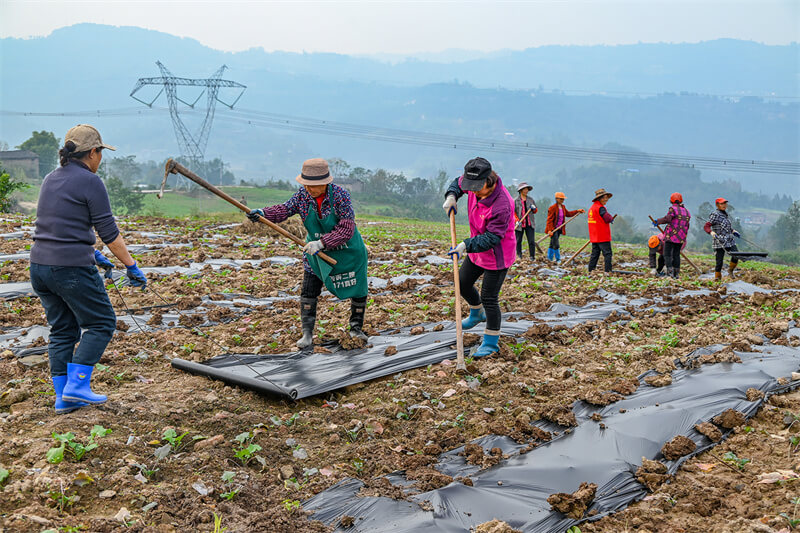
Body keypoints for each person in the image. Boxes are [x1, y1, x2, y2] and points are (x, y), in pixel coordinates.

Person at [30, 124, 147, 414]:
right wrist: (131, 266)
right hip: (69, 268)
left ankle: (62, 397)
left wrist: (93, 253)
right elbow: (110, 233)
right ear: (93, 153)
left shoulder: (50, 178)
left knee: (62, 329)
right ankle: (78, 386)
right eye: (101, 153)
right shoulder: (91, 181)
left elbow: (58, 225)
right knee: (101, 322)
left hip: (40, 267)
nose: (100, 159)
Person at [247, 158, 368, 348]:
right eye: (307, 185)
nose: (310, 189)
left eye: (315, 185)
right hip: (315, 250)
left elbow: (347, 229)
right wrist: (263, 213)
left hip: (347, 249)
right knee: (309, 287)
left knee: (358, 288)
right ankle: (307, 333)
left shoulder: (340, 196)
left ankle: (356, 328)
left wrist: (322, 243)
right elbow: (285, 209)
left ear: (325, 183)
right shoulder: (303, 196)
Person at [442, 157, 516, 357]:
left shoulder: (502, 204)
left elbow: (492, 238)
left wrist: (465, 245)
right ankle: (477, 312)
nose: (472, 192)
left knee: (489, 298)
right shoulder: (473, 183)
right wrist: (451, 196)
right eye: (470, 187)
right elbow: (457, 184)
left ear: (488, 182)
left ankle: (491, 343)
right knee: (462, 283)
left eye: (476, 188)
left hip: (497, 254)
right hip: (477, 250)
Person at [653, 192, 691, 279]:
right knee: (676, 254)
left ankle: (669, 273)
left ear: (671, 200)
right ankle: (676, 274)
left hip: (671, 236)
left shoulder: (672, 209)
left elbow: (668, 219)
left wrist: (657, 221)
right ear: (681, 200)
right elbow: (687, 225)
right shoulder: (687, 211)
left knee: (667, 254)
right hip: (681, 237)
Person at [704, 197, 741, 281]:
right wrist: (711, 232)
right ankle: (717, 277)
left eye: (725, 203)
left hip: (729, 240)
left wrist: (733, 231)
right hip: (719, 240)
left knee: (736, 255)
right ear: (717, 205)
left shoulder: (725, 215)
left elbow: (726, 227)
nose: (724, 205)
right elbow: (706, 226)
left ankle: (730, 270)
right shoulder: (715, 214)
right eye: (721, 204)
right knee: (719, 261)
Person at [545, 192, 585, 263]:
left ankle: (549, 258)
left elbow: (568, 214)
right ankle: (558, 259)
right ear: (557, 199)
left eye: (563, 199)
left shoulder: (563, 207)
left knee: (552, 244)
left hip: (559, 229)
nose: (562, 200)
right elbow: (549, 220)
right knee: (556, 244)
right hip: (553, 229)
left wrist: (577, 211)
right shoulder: (552, 208)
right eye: (561, 199)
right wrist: (550, 230)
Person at [587, 188, 616, 273]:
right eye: (605, 197)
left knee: (594, 254)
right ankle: (608, 271)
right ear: (600, 198)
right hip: (602, 236)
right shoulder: (601, 208)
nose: (606, 199)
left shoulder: (592, 208)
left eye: (607, 197)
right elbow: (607, 218)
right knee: (607, 254)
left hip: (594, 236)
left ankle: (590, 271)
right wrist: (611, 218)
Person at [514, 183, 538, 262]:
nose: (526, 191)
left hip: (529, 223)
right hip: (520, 224)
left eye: (527, 189)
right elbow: (513, 213)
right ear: (521, 190)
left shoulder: (531, 200)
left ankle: (532, 256)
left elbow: (535, 211)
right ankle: (519, 255)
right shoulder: (516, 201)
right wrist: (516, 220)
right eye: (524, 189)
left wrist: (534, 209)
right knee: (518, 241)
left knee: (531, 241)